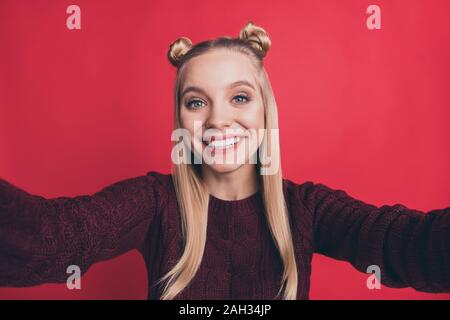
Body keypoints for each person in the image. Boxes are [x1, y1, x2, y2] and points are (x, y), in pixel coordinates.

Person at [0, 21, 449, 300]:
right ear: (180, 118)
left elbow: (403, 244)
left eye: (239, 97)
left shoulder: (306, 210)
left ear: (265, 109)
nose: (218, 120)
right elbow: (49, 240)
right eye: (196, 103)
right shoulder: (155, 203)